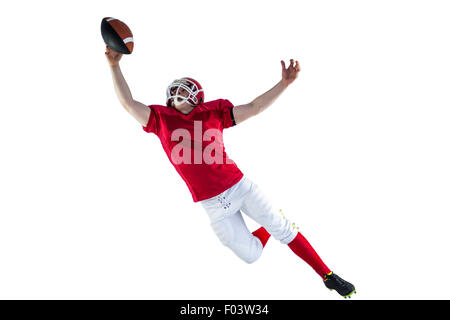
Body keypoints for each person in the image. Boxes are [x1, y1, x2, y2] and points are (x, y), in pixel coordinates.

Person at [105, 45, 356, 298]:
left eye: (185, 88)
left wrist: (284, 84)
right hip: (211, 204)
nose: (179, 91)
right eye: (177, 88)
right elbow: (128, 103)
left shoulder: (214, 112)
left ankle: (328, 275)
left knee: (284, 230)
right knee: (251, 255)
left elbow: (255, 107)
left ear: (197, 96)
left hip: (239, 186)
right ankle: (268, 226)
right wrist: (115, 66)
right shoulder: (160, 118)